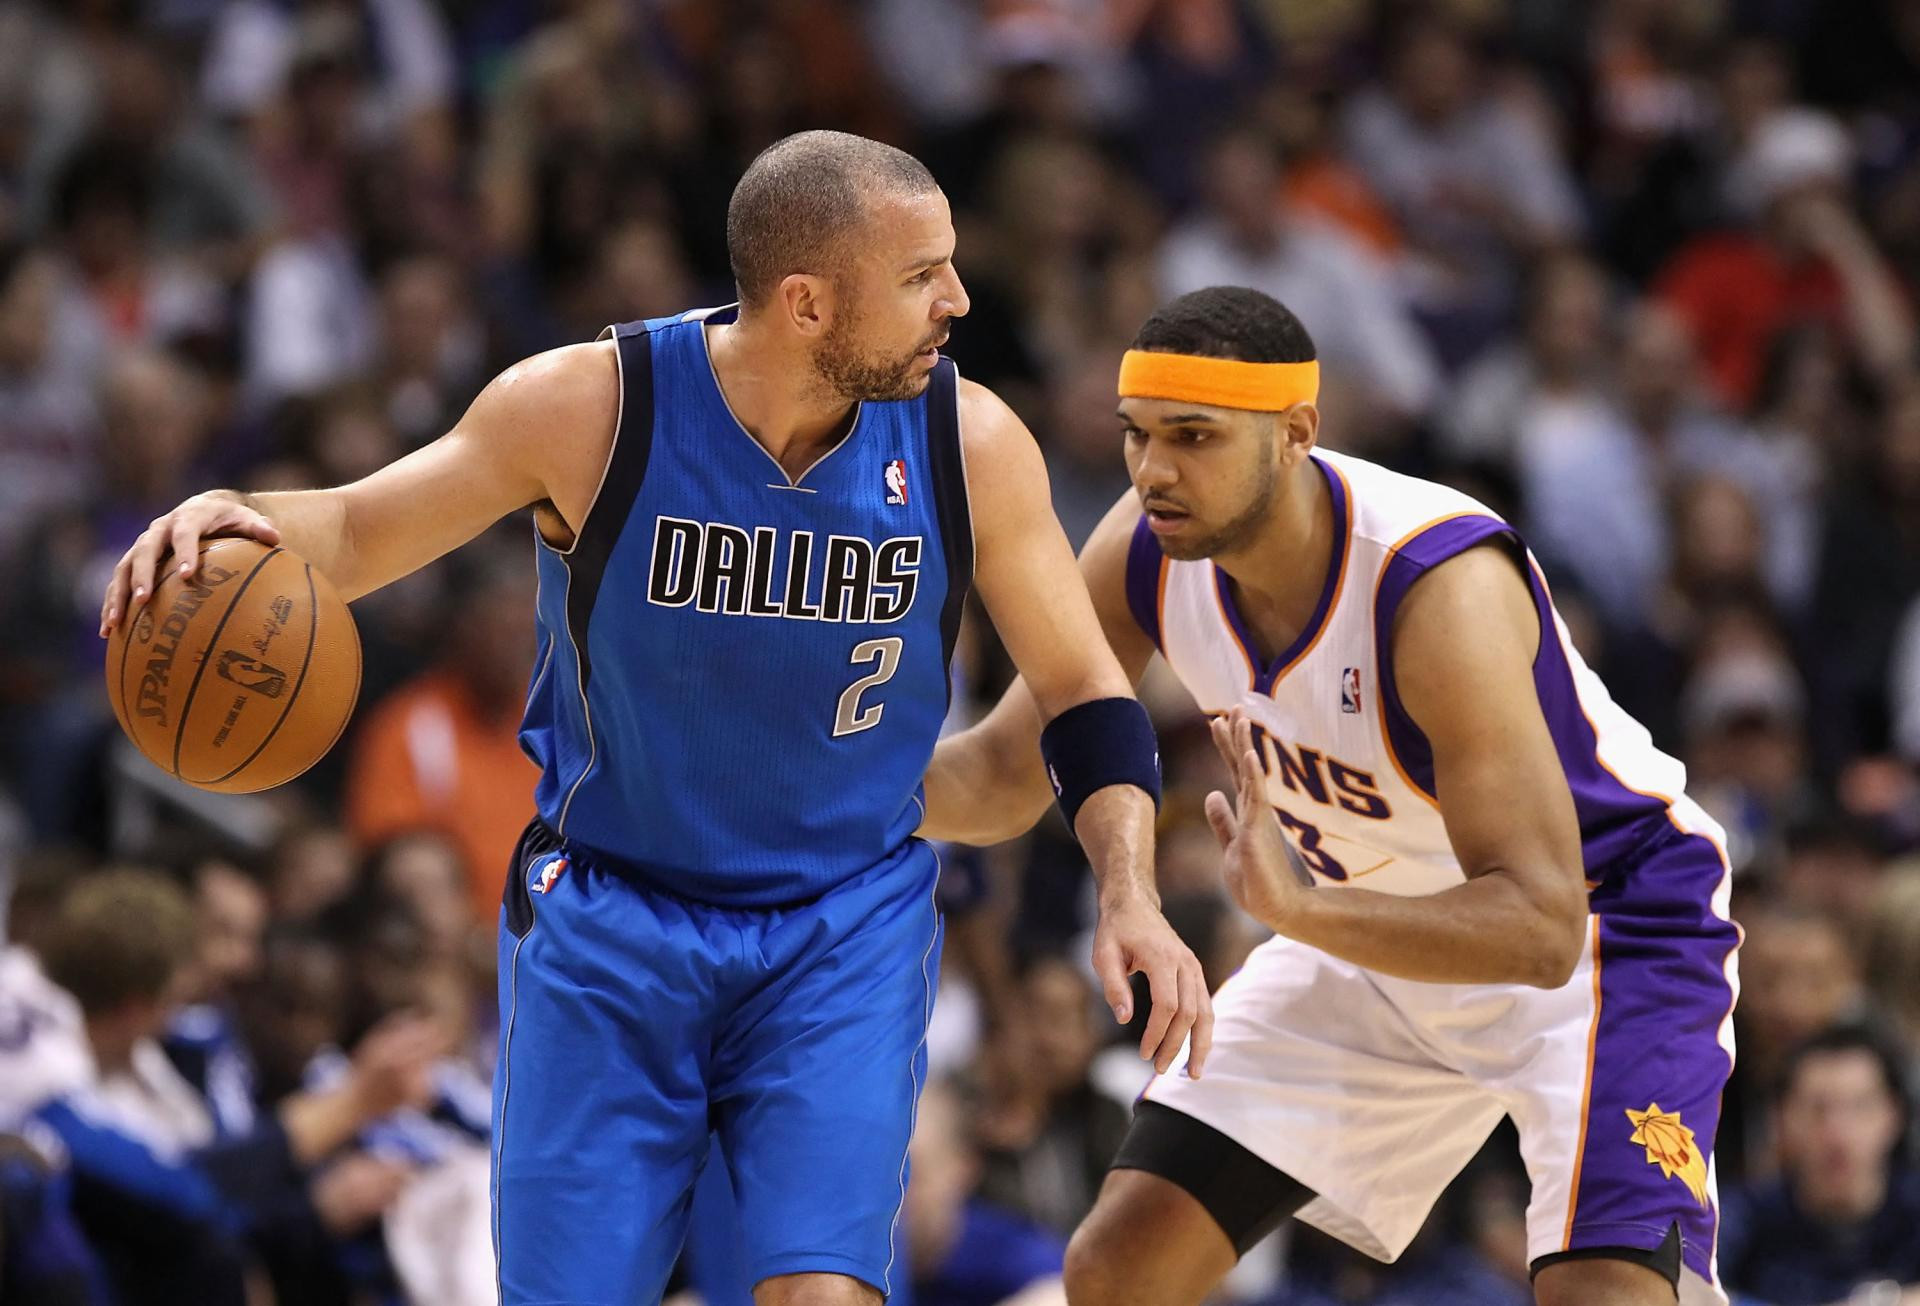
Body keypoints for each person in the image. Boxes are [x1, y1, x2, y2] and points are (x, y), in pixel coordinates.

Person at [99, 130, 1209, 1306]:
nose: (959, 299)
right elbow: (362, 529)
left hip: (839, 923)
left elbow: (1085, 693)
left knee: (822, 1294)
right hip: (612, 917)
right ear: (807, 303)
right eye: (921, 274)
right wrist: (235, 514)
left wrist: (1129, 890)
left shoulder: (968, 441)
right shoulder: (589, 406)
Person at [923, 285, 1741, 1306]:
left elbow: (1539, 928)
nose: (1153, 470)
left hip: (1602, 930)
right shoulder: (1144, 549)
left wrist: (1298, 911)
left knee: (1604, 1296)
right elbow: (1003, 777)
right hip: (1375, 925)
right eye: (1138, 435)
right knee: (1118, 1267)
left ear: (1296, 432)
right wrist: (803, 780)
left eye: (1193, 436)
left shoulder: (1433, 584)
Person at [1719, 1024, 1920, 1305]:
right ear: (1780, 1119)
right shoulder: (1741, 1217)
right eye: (1817, 1109)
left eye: (1859, 1107)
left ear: (1894, 1115)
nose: (1837, 1134)